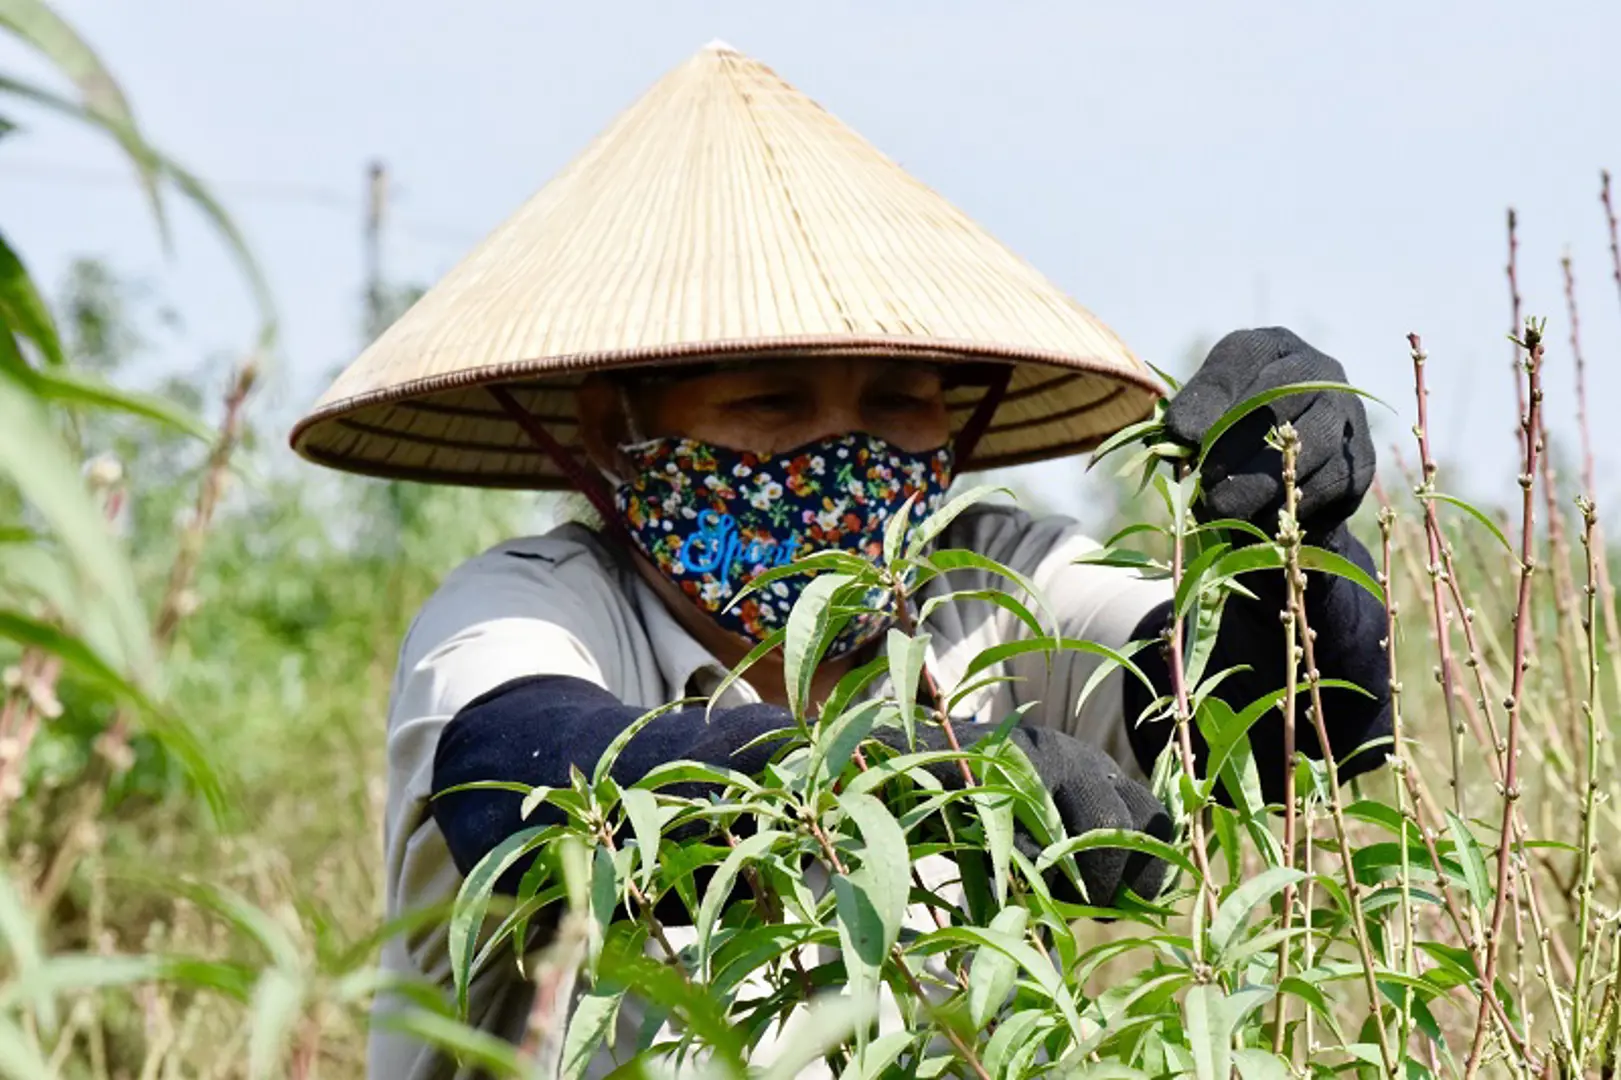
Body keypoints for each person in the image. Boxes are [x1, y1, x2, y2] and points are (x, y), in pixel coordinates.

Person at [290, 42, 1391, 1080]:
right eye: (771, 399)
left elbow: (1272, 707)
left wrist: (1287, 547)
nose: (843, 452)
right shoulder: (536, 606)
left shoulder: (988, 584)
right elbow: (513, 772)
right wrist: (915, 778)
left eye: (897, 401)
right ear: (603, 428)